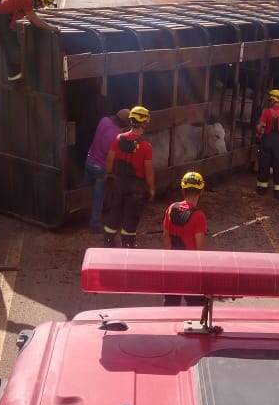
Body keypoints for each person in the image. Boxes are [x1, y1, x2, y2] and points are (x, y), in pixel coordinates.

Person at [103, 105, 155, 248]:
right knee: (131, 217)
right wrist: (151, 188)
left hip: (119, 183)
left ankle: (108, 240)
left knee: (115, 212)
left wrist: (109, 174)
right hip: (136, 189)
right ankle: (128, 244)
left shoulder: (118, 139)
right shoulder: (146, 146)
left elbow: (109, 161)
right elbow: (149, 171)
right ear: (144, 123)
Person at [161, 171, 208, 307]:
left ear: (182, 190)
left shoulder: (171, 208)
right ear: (201, 191)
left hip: (172, 266)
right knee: (195, 306)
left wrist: (170, 259)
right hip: (191, 269)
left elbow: (166, 237)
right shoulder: (199, 216)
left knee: (171, 303)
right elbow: (200, 248)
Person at [84, 108, 129, 233]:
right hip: (100, 167)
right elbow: (112, 157)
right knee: (100, 194)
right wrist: (110, 173)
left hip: (89, 161)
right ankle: (95, 223)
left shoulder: (104, 120)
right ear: (123, 122)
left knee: (86, 187)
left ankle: (83, 212)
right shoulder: (117, 136)